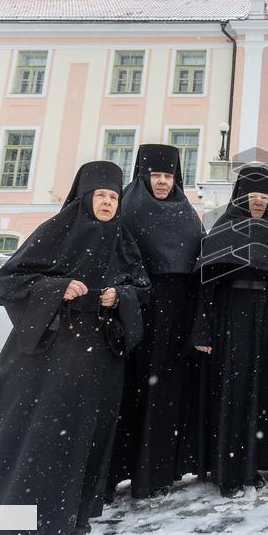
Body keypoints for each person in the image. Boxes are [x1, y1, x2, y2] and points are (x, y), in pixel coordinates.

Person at [0, 160, 149, 535]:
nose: (107, 202)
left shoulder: (123, 239)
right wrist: (58, 289)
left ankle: (65, 518)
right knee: (35, 436)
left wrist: (122, 296)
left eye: (113, 197)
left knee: (81, 437)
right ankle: (11, 520)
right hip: (49, 354)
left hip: (98, 355)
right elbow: (11, 280)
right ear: (85, 198)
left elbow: (141, 287)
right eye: (100, 195)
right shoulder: (56, 230)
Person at [179, 165, 268, 498]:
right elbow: (206, 285)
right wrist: (203, 331)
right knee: (232, 393)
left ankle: (251, 465)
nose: (258, 202)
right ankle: (227, 471)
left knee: (261, 392)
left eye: (264, 196)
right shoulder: (224, 229)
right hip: (232, 317)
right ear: (241, 196)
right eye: (252, 196)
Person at [106, 144, 205, 499]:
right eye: (156, 175)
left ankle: (158, 472)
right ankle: (117, 471)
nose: (162, 182)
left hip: (176, 317)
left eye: (168, 176)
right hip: (136, 314)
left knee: (165, 394)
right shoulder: (126, 210)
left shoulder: (187, 213)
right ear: (143, 175)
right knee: (128, 394)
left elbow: (198, 266)